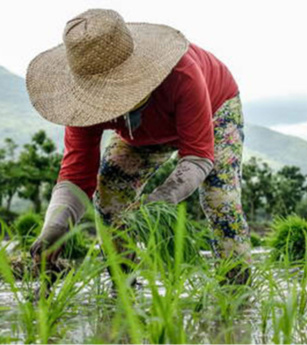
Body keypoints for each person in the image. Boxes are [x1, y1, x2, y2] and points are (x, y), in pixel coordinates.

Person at [27, 9, 250, 284]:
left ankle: (237, 288)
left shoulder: (182, 73)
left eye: (118, 94)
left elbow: (198, 156)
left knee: (220, 199)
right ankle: (123, 285)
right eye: (103, 97)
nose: (110, 103)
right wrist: (55, 227)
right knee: (110, 191)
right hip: (141, 132)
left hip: (214, 109)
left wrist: (158, 201)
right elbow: (76, 176)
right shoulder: (83, 107)